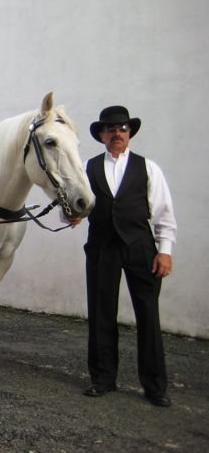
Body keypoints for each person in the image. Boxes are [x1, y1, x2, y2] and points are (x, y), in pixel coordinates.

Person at [71, 106, 177, 407]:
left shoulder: (148, 168)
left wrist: (165, 252)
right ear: (102, 135)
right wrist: (75, 215)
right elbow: (80, 203)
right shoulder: (87, 167)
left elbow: (163, 214)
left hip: (140, 246)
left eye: (123, 128)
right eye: (111, 129)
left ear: (129, 132)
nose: (117, 133)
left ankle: (155, 385)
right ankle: (103, 378)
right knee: (101, 311)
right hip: (102, 246)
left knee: (148, 314)